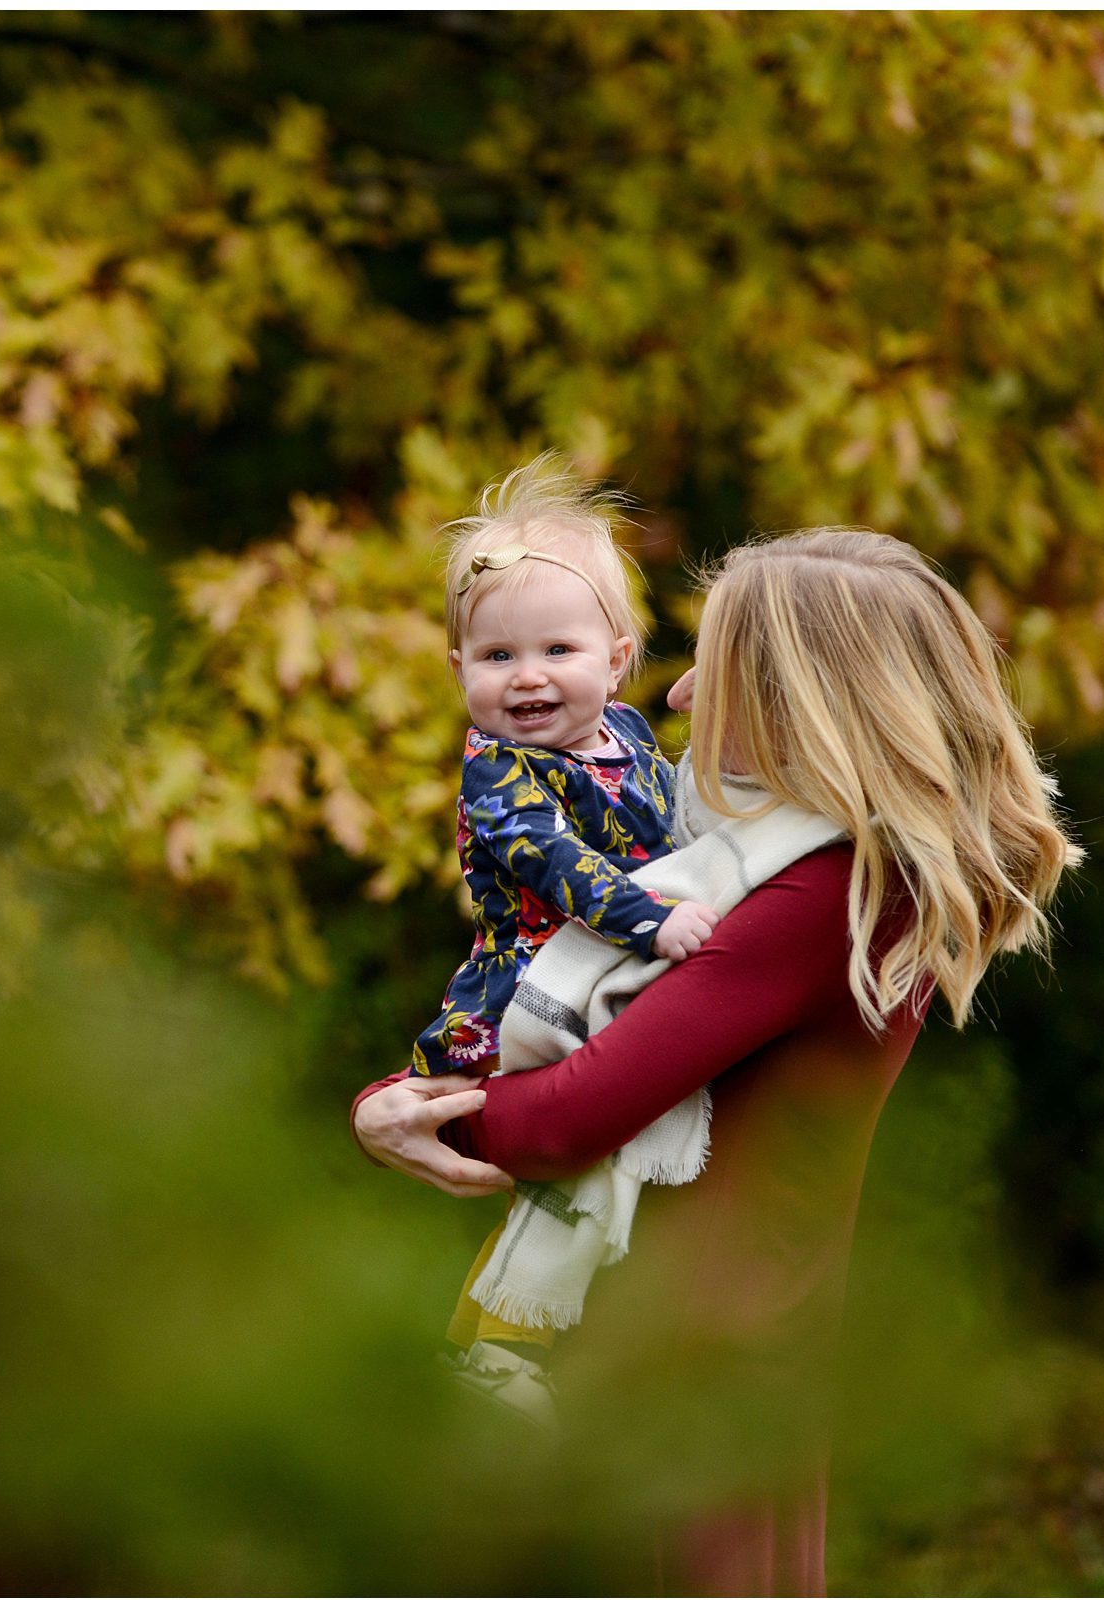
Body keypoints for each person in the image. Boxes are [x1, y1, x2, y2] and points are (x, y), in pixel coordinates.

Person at [353, 526, 1080, 1594]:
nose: (684, 695)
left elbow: (569, 1116)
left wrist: (400, 1114)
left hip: (682, 1380)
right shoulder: (800, 869)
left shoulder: (822, 892)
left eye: (722, 666)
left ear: (797, 697)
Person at [405, 457, 723, 1425]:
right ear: (460, 670)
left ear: (618, 658)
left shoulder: (627, 733)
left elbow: (674, 820)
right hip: (531, 987)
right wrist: (656, 919)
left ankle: (592, 1335)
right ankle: (497, 1340)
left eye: (557, 649)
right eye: (497, 657)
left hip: (609, 970)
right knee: (571, 1165)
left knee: (622, 1163)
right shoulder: (499, 775)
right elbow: (556, 864)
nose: (528, 677)